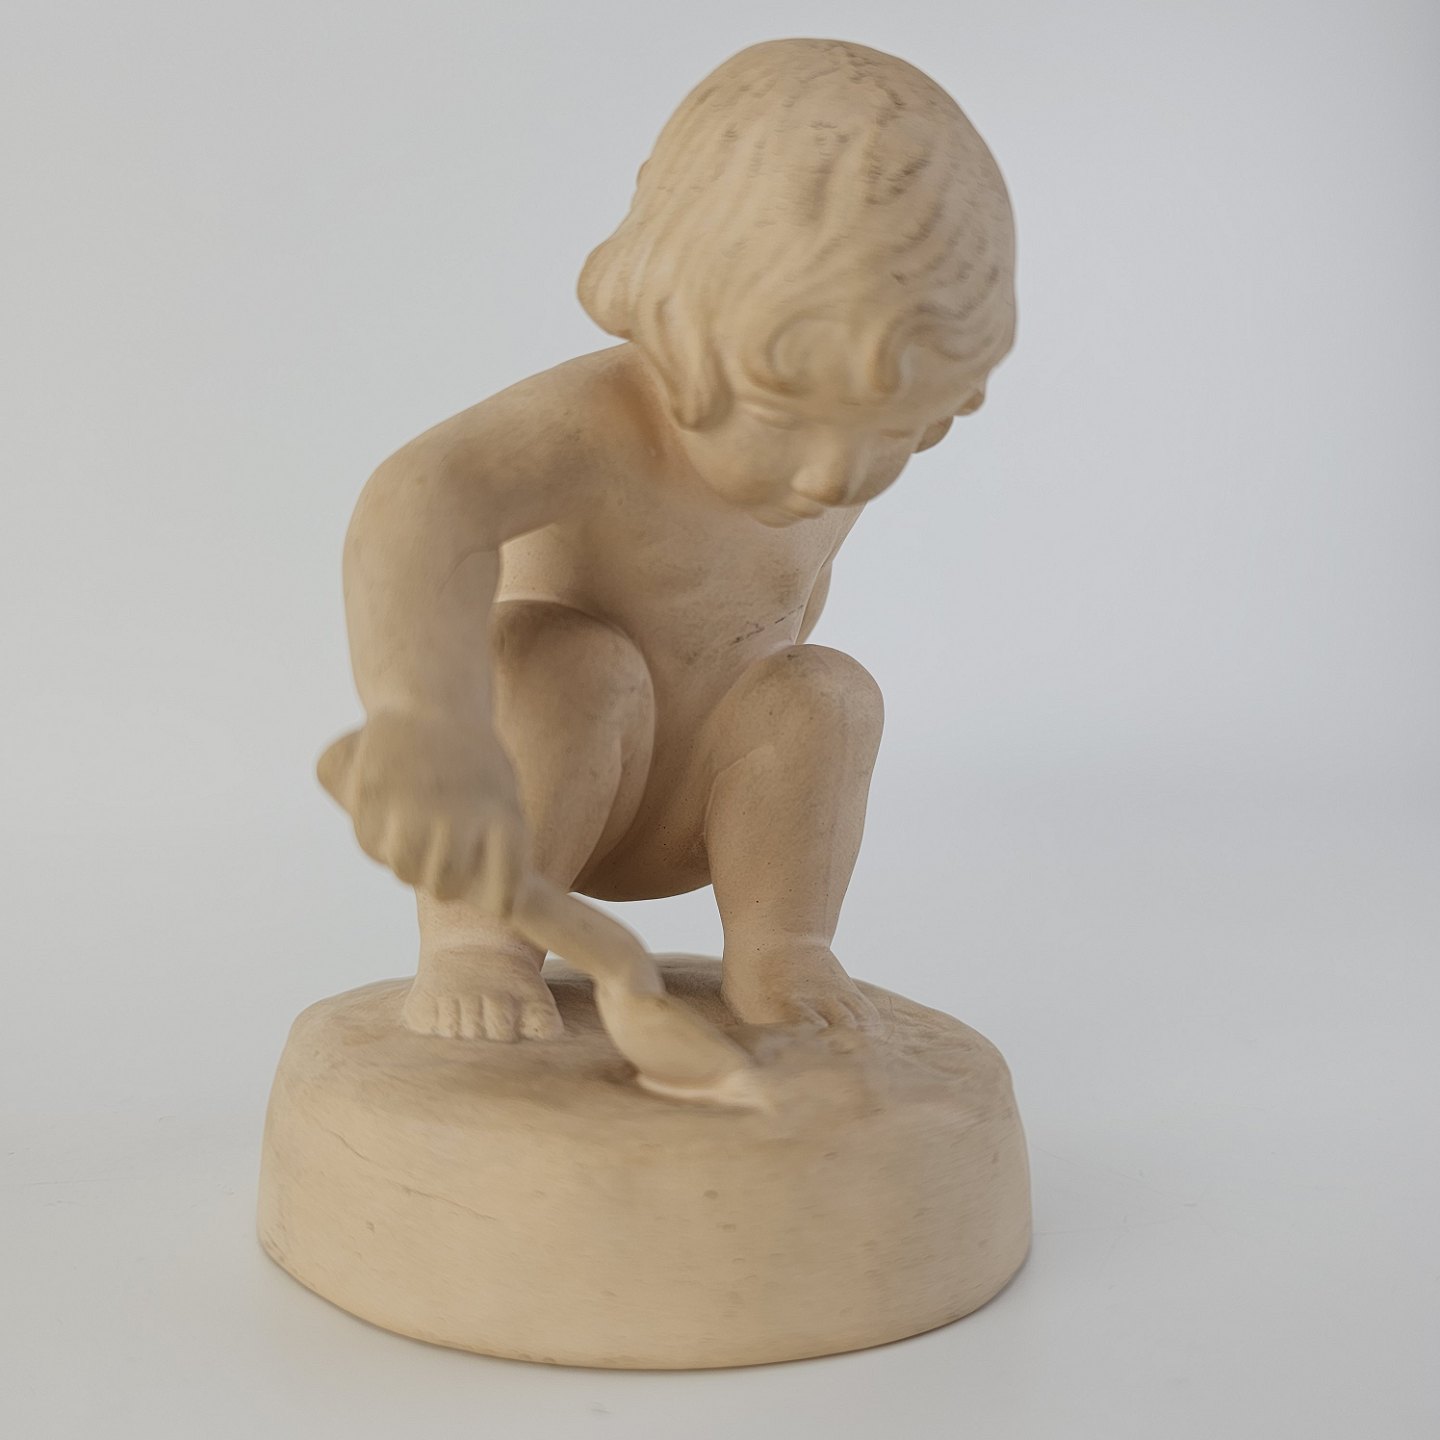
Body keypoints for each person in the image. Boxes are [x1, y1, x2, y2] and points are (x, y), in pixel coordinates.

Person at [319, 38, 1016, 1041]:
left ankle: (783, 944)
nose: (832, 477)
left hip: (707, 798)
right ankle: (478, 944)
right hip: (548, 786)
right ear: (682, 322)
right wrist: (417, 716)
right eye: (786, 413)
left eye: (887, 433)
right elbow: (420, 497)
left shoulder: (827, 450)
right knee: (564, 662)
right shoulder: (599, 423)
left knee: (823, 696)